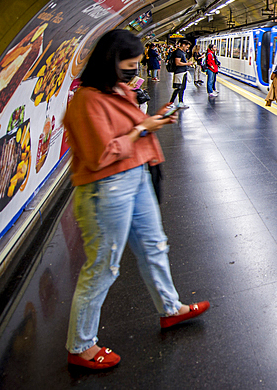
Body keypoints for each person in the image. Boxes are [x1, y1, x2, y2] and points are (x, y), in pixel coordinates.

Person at [62, 30, 209, 370]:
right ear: (110, 63)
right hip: (105, 187)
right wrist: (141, 130)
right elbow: (100, 154)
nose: (133, 71)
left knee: (154, 245)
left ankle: (170, 308)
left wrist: (152, 121)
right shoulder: (87, 100)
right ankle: (80, 346)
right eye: (128, 66)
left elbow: (132, 127)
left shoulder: (115, 90)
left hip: (136, 174)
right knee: (103, 266)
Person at [169, 39, 193, 108]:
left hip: (182, 72)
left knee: (182, 88)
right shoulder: (178, 52)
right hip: (179, 73)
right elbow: (178, 63)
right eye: (187, 47)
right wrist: (187, 63)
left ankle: (180, 102)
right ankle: (171, 103)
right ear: (183, 45)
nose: (187, 49)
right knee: (178, 88)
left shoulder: (181, 52)